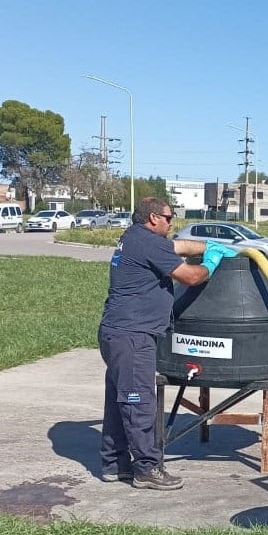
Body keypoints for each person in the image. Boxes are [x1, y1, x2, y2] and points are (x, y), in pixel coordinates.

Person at [98, 197, 236, 490]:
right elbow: (190, 277)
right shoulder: (148, 242)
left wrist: (209, 246)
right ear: (152, 218)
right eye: (169, 217)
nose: (173, 223)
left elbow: (179, 246)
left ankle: (114, 463)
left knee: (119, 400)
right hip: (133, 336)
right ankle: (147, 468)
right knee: (139, 403)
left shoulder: (135, 238)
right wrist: (210, 263)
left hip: (118, 332)